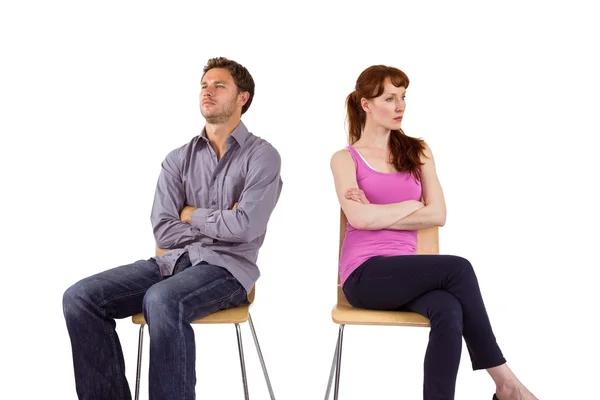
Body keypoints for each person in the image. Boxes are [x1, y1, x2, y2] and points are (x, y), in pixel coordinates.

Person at [63, 57, 283, 400]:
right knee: (80, 298)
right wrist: (222, 219)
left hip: (227, 271)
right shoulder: (178, 159)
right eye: (204, 85)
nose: (207, 92)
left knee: (162, 299)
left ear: (243, 97)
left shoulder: (262, 156)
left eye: (219, 85)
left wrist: (191, 213)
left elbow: (246, 227)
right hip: (170, 264)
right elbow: (164, 231)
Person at [329, 65, 537, 400]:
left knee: (448, 309)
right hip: (364, 277)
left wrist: (375, 214)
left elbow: (438, 214)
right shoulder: (345, 159)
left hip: (409, 274)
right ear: (366, 104)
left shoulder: (418, 151)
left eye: (403, 97)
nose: (400, 105)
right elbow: (359, 218)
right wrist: (412, 205)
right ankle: (506, 383)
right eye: (390, 98)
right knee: (458, 268)